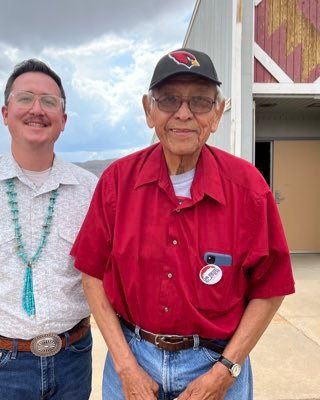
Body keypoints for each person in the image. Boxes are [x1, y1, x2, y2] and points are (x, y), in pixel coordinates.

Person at [70, 48, 295, 400]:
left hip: (216, 360)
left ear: (218, 114)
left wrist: (226, 370)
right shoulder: (117, 182)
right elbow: (92, 275)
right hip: (134, 357)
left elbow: (271, 288)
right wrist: (126, 366)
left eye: (200, 102)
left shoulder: (248, 188)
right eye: (169, 100)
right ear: (149, 110)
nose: (184, 114)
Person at [0, 59, 98, 399]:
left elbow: (101, 270)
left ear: (63, 121)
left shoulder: (90, 190)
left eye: (50, 101)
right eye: (25, 98)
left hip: (72, 358)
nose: (37, 109)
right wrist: (3, 314)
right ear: (5, 112)